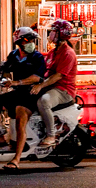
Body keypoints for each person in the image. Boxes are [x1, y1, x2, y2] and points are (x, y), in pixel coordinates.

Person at [0, 27, 46, 171]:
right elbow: (4, 67)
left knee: (20, 118)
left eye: (33, 41)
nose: (32, 43)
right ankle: (0, 139)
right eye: (30, 40)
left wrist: (17, 82)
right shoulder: (14, 55)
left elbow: (37, 77)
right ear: (21, 42)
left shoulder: (37, 57)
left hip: (31, 94)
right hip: (17, 92)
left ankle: (16, 159)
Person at [30, 19, 77, 147]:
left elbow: (58, 76)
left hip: (63, 90)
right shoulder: (53, 52)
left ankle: (51, 135)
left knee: (44, 101)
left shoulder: (68, 53)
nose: (51, 35)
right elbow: (45, 70)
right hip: (51, 87)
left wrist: (41, 85)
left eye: (53, 32)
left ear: (61, 34)